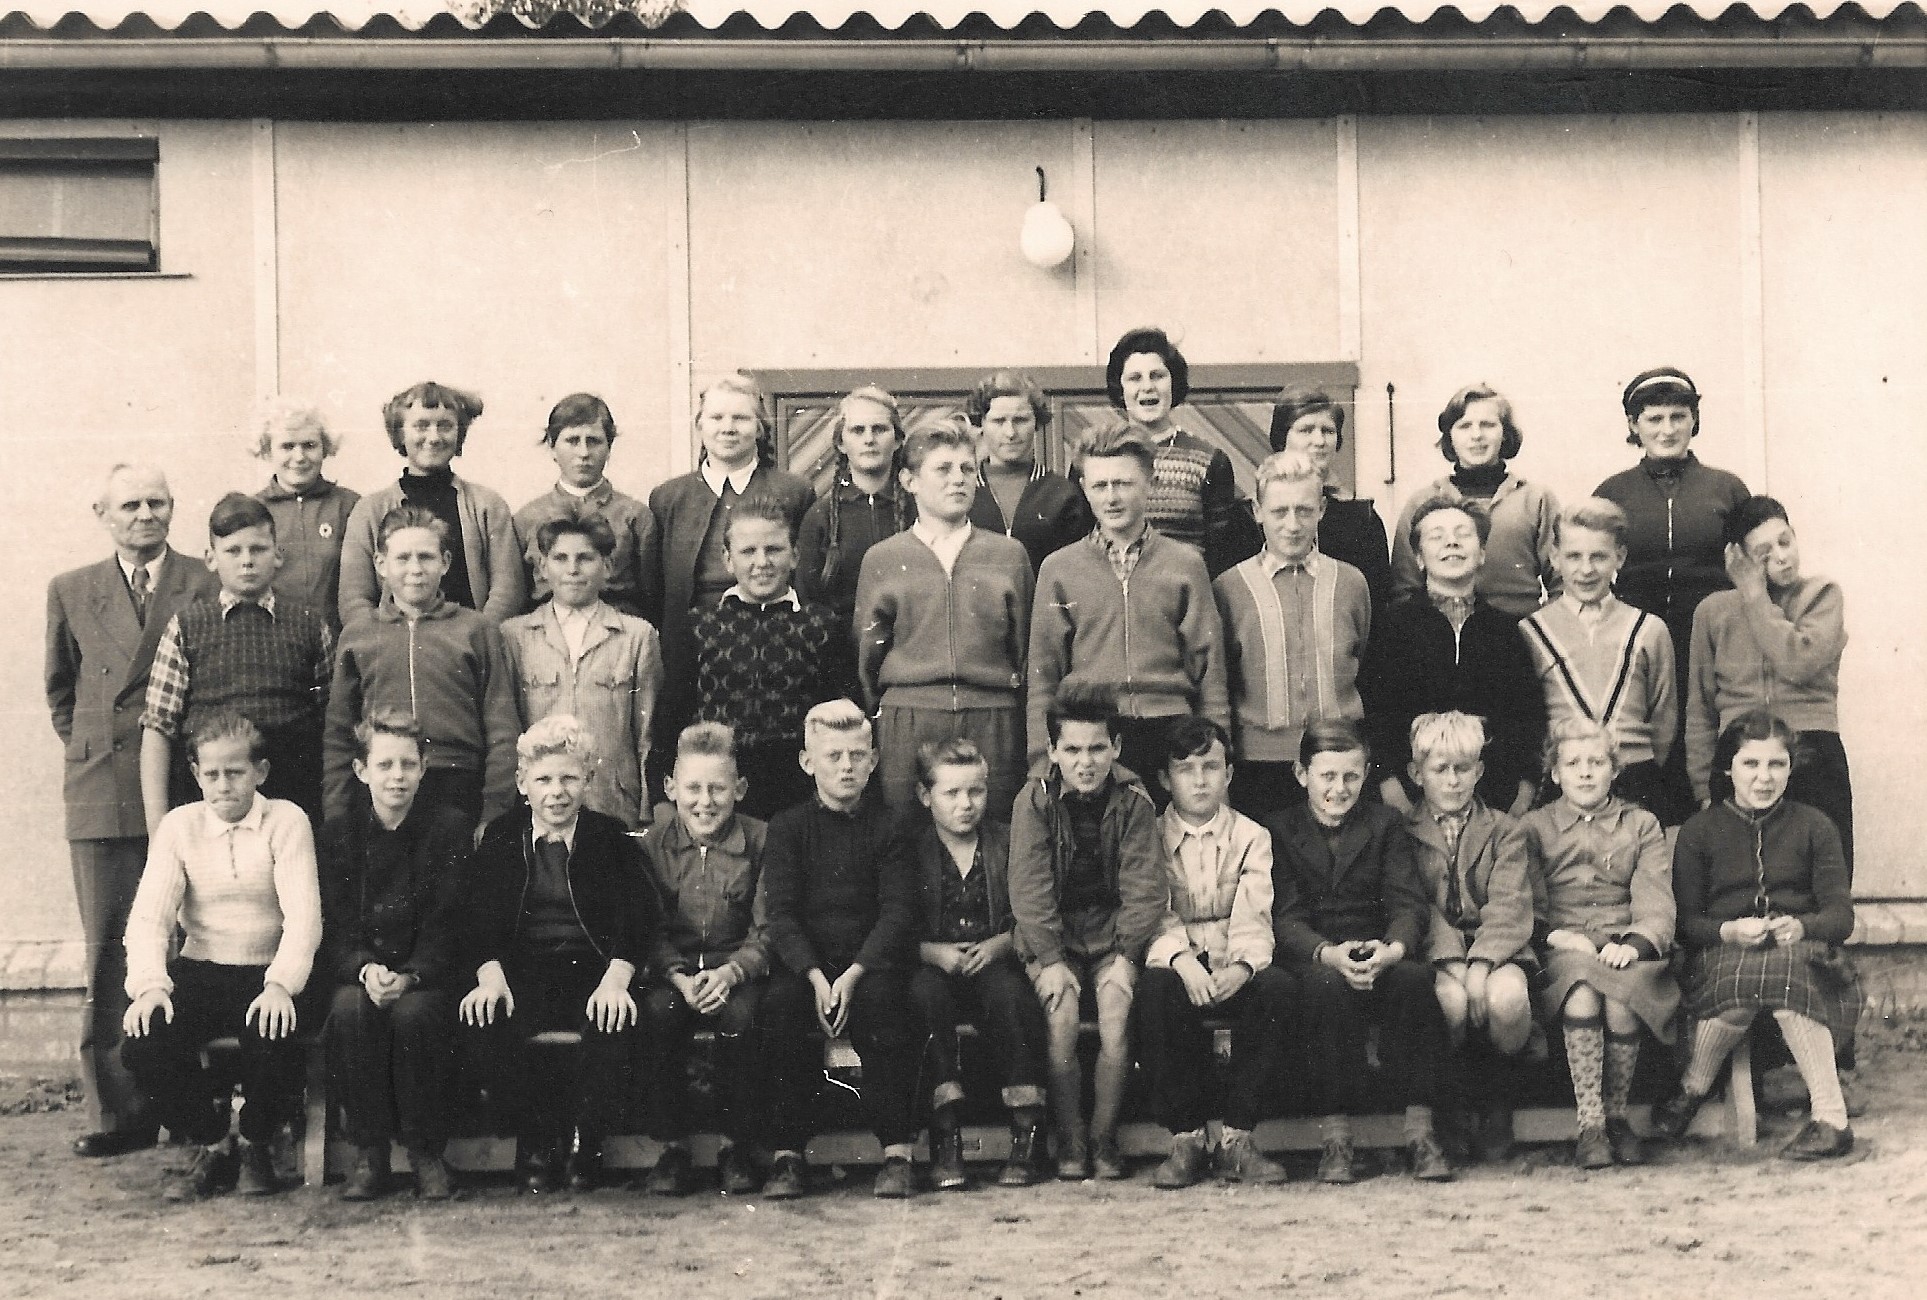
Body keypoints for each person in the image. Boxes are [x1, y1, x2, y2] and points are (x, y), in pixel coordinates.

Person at [45, 463, 218, 1159]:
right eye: (130, 505)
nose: (145, 515)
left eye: (158, 502)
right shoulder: (71, 588)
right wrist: (103, 752)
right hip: (104, 790)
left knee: (196, 943)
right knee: (112, 949)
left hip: (185, 783)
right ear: (102, 511)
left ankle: (188, 1101)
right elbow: (62, 693)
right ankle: (117, 1114)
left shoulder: (202, 580)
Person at [120, 712, 323, 1201]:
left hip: (270, 972)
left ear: (261, 771)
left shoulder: (287, 820)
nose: (222, 785)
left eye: (235, 772)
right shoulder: (179, 826)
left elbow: (303, 918)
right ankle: (214, 1144)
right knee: (143, 1043)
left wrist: (280, 984)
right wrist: (149, 985)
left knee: (275, 1033)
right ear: (195, 775)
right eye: (211, 774)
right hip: (203, 968)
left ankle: (256, 1141)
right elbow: (150, 917)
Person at [458, 716, 662, 1193]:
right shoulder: (501, 837)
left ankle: (586, 1142)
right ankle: (534, 1140)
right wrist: (490, 975)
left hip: (593, 966)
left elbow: (638, 915)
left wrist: (616, 978)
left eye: (569, 778)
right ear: (523, 783)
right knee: (488, 1019)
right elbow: (478, 918)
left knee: (613, 1020)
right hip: (523, 969)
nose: (557, 791)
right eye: (544, 779)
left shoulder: (610, 837)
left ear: (588, 779)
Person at [1655, 711, 1859, 1161]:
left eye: (1777, 765)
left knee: (1786, 969)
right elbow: (1686, 924)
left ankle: (1831, 1119)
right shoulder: (1699, 832)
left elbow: (1840, 916)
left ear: (1791, 768)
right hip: (1723, 954)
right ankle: (1695, 1085)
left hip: (1802, 953)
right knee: (1749, 980)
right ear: (1727, 768)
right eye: (1751, 764)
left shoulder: (1815, 826)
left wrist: (1803, 926)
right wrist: (1727, 929)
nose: (1764, 778)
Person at [1265, 720, 1452, 1184]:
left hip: (1376, 946)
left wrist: (1392, 948)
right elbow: (1284, 916)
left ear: (1366, 773)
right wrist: (1328, 953)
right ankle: (1336, 1137)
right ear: (1300, 773)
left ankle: (1420, 1132)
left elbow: (1407, 901)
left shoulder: (1384, 822)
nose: (1339, 788)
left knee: (1414, 980)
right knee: (1325, 991)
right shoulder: (1279, 828)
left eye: (1351, 776)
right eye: (1327, 776)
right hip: (1316, 955)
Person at [756, 700, 923, 1200]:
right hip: (806, 966)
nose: (846, 767)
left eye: (856, 755)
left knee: (886, 1006)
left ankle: (897, 1152)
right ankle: (787, 1156)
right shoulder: (787, 828)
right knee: (780, 1008)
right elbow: (780, 914)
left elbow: (898, 911)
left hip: (869, 964)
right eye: (833, 756)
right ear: (809, 762)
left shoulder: (891, 826)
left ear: (873, 761)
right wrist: (812, 976)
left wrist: (853, 974)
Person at [1006, 684, 1166, 1181]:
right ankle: (1071, 1136)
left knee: (1117, 1016)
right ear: (1052, 750)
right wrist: (1051, 960)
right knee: (1062, 1020)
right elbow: (1029, 889)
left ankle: (1102, 1136)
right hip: (1051, 938)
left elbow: (1145, 887)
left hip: (1111, 936)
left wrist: (1125, 955)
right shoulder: (1033, 801)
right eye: (1072, 749)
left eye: (1098, 748)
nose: (1085, 761)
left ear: (1116, 747)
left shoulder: (1135, 800)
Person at [318, 708, 471, 1201]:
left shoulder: (448, 830)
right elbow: (335, 926)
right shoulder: (340, 834)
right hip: (363, 973)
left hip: (425, 977)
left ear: (424, 766)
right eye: (384, 765)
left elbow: (450, 924)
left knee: (416, 1017)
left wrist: (412, 976)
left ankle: (426, 1151)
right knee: (348, 1012)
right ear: (362, 771)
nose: (397, 777)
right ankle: (371, 1153)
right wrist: (365, 969)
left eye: (407, 764)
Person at [1027, 422, 1230, 791]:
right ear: (1084, 488)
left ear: (1150, 483)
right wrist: (1042, 763)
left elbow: (1210, 668)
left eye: (1123, 483)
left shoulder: (1184, 564)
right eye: (1100, 485)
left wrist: (1215, 753)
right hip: (1093, 736)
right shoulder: (1059, 569)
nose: (1111, 497)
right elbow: (1043, 675)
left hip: (1171, 733)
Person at [1136, 717, 1294, 1189]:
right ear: (1165, 778)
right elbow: (1152, 909)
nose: (1200, 780)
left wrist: (1243, 966)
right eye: (1185, 769)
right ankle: (1186, 1137)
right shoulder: (1149, 835)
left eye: (1211, 767)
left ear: (1229, 774)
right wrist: (1182, 960)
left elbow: (1255, 910)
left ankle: (1236, 1138)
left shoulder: (1252, 835)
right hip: (1179, 962)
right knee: (1155, 991)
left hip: (1233, 961)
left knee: (1278, 989)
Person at [1518, 717, 1677, 1170]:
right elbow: (1523, 898)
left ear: (1614, 769)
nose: (1585, 772)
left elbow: (1655, 899)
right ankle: (1590, 1122)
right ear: (1554, 773)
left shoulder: (1641, 825)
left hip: (1622, 944)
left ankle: (1617, 1115)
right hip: (1561, 944)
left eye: (1596, 762)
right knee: (1584, 994)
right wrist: (1555, 935)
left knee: (1621, 997)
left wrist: (1636, 942)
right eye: (1573, 763)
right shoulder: (1532, 827)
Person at [855, 413, 1033, 813]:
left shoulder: (1007, 555)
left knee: (996, 833)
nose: (959, 479)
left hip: (992, 718)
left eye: (968, 468)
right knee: (907, 840)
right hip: (910, 719)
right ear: (909, 480)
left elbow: (1024, 651)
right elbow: (867, 656)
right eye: (943, 469)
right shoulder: (884, 559)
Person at [1594, 367, 1750, 822]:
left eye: (1678, 417)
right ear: (1633, 425)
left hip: (1711, 638)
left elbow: (1750, 560)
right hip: (1636, 639)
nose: (1666, 429)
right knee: (1649, 742)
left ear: (1693, 421)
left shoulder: (1726, 487)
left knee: (1707, 740)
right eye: (1654, 418)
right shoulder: (1613, 491)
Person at [645, 374, 815, 788]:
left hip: (775, 635)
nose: (727, 427)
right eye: (716, 417)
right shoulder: (669, 497)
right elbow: (655, 584)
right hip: (694, 645)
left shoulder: (793, 491)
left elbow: (804, 575)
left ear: (760, 427)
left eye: (740, 418)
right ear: (699, 425)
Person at [139, 493, 334, 832]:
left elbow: (332, 724)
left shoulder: (309, 625)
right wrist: (159, 831)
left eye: (258, 549)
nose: (247, 561)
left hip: (292, 799)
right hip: (209, 801)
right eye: (233, 551)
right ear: (211, 559)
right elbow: (158, 728)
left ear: (277, 556)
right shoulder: (186, 626)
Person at [908, 738, 1053, 1190]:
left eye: (976, 792)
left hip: (995, 957)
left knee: (1011, 996)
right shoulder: (910, 850)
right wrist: (931, 952)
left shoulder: (1007, 841)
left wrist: (1000, 945)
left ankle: (1025, 1134)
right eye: (951, 793)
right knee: (925, 998)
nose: (965, 804)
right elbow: (892, 921)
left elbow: (1036, 907)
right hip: (935, 962)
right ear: (924, 795)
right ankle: (946, 1136)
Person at [323, 506, 520, 834]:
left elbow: (501, 727)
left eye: (426, 557)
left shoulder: (476, 629)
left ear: (445, 563)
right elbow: (339, 731)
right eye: (402, 558)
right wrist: (337, 814)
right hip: (385, 785)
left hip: (458, 784)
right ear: (380, 564)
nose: (415, 569)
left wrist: (494, 811)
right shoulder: (359, 634)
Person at [636, 722, 770, 1198]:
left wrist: (732, 972)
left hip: (736, 970)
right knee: (656, 1014)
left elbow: (767, 927)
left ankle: (737, 1146)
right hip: (672, 975)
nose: (705, 801)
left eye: (718, 788)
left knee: (744, 1017)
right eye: (692, 788)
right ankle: (672, 1147)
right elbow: (643, 925)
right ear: (671, 788)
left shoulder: (761, 840)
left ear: (740, 789)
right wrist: (675, 975)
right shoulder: (651, 845)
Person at [1686, 496, 1853, 871]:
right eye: (1763, 552)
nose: (1781, 556)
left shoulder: (1822, 595)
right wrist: (1702, 787)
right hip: (1738, 753)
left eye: (1785, 541)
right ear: (1739, 561)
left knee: (1821, 872)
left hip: (1812, 748)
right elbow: (1701, 707)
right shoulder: (1712, 612)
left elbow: (1797, 662)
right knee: (1740, 879)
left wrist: (1755, 596)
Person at [1401, 712, 1535, 1165]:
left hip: (1497, 949)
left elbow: (1510, 903)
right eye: (1441, 769)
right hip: (1434, 951)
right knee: (1450, 1003)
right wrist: (1454, 963)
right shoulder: (1402, 831)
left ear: (1479, 770)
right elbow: (1418, 904)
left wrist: (1481, 965)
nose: (1454, 781)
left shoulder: (1505, 829)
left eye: (1464, 768)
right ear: (1417, 774)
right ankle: (1452, 1108)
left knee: (1508, 999)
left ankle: (1498, 1102)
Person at [1363, 496, 1545, 819]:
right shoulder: (1393, 627)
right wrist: (1390, 787)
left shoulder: (1505, 631)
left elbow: (1526, 717)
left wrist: (1524, 792)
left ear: (1482, 553)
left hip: (1494, 801)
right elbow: (1378, 715)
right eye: (1437, 536)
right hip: (1410, 798)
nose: (1451, 542)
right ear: (1419, 558)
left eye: (1463, 534)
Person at [1215, 449, 1371, 819]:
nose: (1292, 524)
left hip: (1338, 764)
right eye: (1279, 511)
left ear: (1322, 509)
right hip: (1261, 766)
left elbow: (1362, 657)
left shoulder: (1351, 582)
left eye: (1304, 510)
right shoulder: (1228, 588)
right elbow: (1221, 681)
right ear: (1257, 512)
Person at [1520, 498, 1681, 822]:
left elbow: (1664, 721)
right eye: (1573, 557)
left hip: (1636, 780)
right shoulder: (1531, 631)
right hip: (1563, 781)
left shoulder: (1649, 629)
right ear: (1554, 557)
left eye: (1599, 557)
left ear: (1619, 557)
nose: (1586, 569)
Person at [692, 492, 850, 821]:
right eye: (748, 551)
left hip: (800, 791)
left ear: (794, 556)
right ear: (727, 558)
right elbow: (672, 716)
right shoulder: (700, 626)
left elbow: (842, 713)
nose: (761, 563)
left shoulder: (821, 625)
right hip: (720, 791)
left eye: (773, 550)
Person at [501, 515, 661, 828]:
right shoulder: (515, 636)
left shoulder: (636, 636)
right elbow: (506, 729)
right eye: (560, 559)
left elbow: (647, 732)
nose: (573, 569)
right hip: (542, 799)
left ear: (608, 567)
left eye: (585, 558)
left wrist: (645, 810)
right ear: (543, 568)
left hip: (612, 800)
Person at [338, 381, 525, 626]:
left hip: (471, 646)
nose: (434, 437)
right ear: (400, 433)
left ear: (459, 434)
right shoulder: (369, 510)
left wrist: (478, 637)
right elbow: (355, 598)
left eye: (445, 426)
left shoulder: (487, 505)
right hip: (394, 647)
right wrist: (382, 643)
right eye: (421, 426)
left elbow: (507, 589)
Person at [1390, 384, 1559, 619]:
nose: (1477, 435)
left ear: (1505, 433)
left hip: (1522, 635)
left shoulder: (1536, 500)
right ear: (1450, 436)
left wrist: (1543, 633)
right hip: (1444, 636)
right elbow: (1404, 588)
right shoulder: (1423, 502)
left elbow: (1563, 584)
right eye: (1464, 426)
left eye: (1488, 425)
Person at [1104, 327, 1254, 576]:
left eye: (1157, 375)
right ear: (1120, 388)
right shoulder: (1099, 458)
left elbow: (1222, 556)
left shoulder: (1209, 461)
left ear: (1174, 382)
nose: (1147, 386)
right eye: (1135, 378)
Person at [512, 392, 661, 621]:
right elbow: (518, 599)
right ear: (552, 447)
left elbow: (651, 596)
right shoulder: (527, 519)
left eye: (594, 441)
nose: (583, 453)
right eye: (572, 441)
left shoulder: (635, 516)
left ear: (609, 448)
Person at [1268, 386, 1392, 612]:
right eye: (1306, 430)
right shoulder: (1251, 517)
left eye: (1328, 431)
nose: (1319, 440)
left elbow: (1377, 605)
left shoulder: (1362, 520)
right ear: (1281, 437)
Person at [797, 385, 913, 621]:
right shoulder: (821, 516)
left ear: (898, 439)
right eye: (858, 430)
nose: (869, 439)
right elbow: (808, 598)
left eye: (879, 429)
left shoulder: (919, 507)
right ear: (841, 443)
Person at [964, 368, 1092, 572]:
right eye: (998, 421)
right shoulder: (964, 490)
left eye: (1021, 420)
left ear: (1037, 422)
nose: (1010, 433)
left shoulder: (1063, 494)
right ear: (981, 423)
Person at [250, 397, 359, 630]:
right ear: (268, 451)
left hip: (337, 638)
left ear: (325, 448)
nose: (299, 457)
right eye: (287, 446)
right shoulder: (252, 510)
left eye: (309, 445)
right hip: (272, 637)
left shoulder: (350, 506)